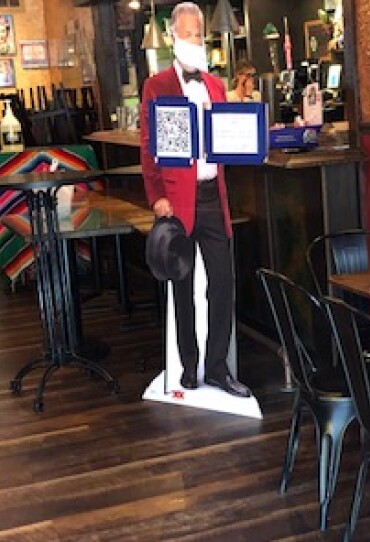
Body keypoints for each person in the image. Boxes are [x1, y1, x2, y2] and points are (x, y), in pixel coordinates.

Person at [140, 2, 251, 398]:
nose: (193, 41)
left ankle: (218, 367)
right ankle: (189, 366)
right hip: (176, 200)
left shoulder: (217, 85)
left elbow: (228, 142)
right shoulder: (157, 86)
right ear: (172, 37)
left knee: (223, 282)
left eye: (198, 35)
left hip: (212, 197)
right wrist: (156, 197)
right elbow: (149, 147)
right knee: (182, 286)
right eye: (186, 34)